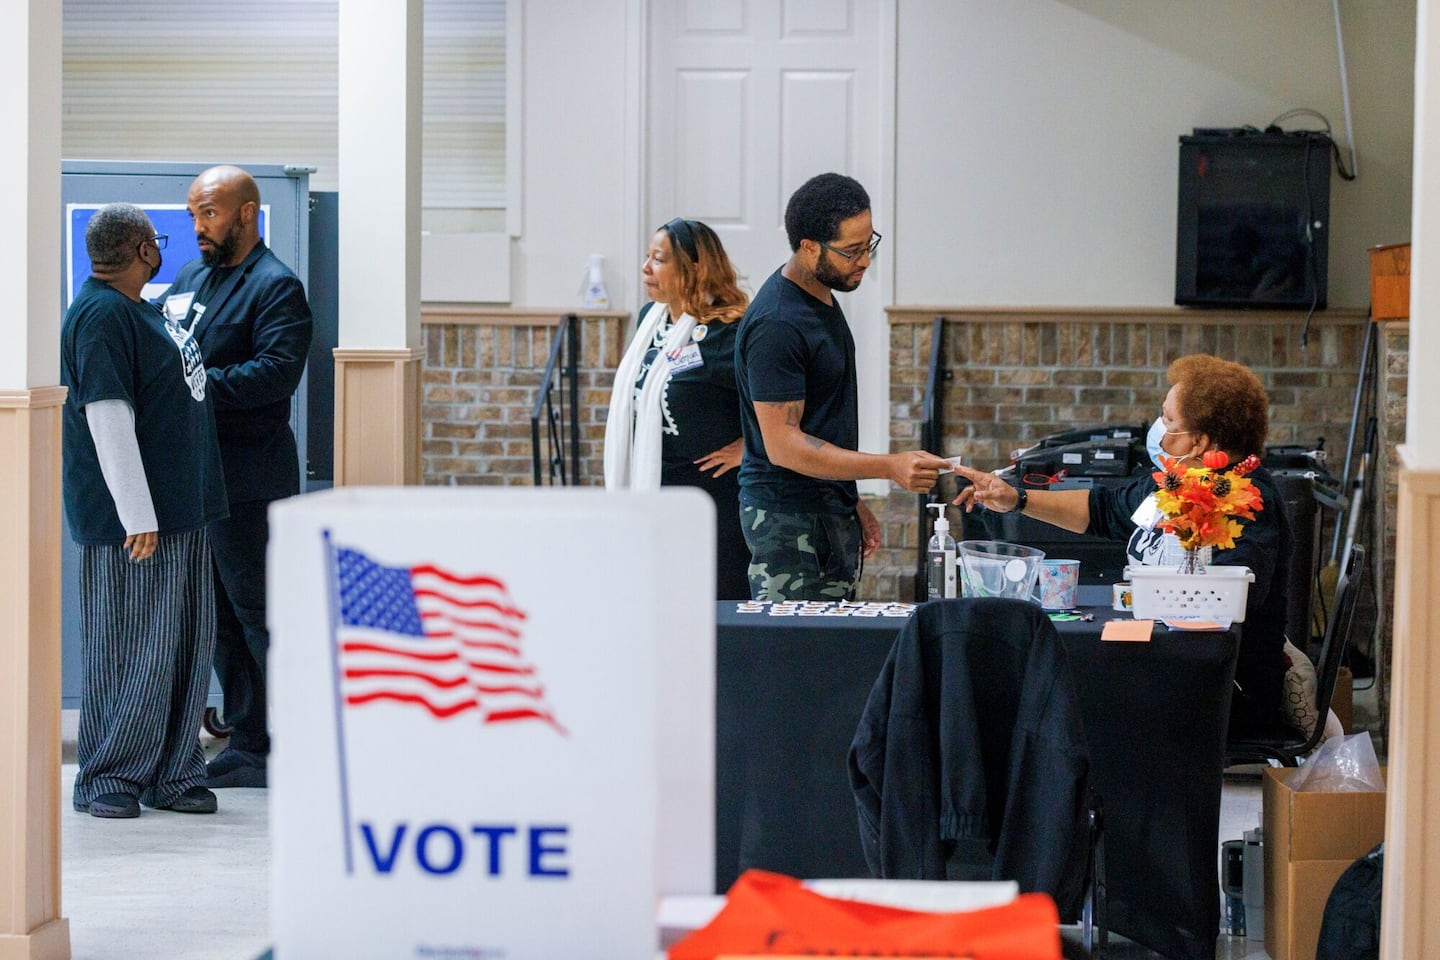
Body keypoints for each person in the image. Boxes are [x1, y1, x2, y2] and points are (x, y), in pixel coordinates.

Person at [951, 354, 1292, 735]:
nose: (1158, 427)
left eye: (1169, 419)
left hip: (1220, 690)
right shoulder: (1172, 480)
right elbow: (1103, 508)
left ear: (1200, 441)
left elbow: (1232, 603)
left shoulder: (1248, 500)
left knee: (1060, 701)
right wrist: (1016, 498)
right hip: (1164, 665)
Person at [62, 203, 229, 818]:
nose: (160, 249)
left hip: (182, 509)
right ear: (143, 250)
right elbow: (108, 417)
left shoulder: (139, 310)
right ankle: (109, 775)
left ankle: (173, 771)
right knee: (128, 645)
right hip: (137, 524)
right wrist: (138, 515)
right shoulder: (100, 317)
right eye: (156, 240)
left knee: (181, 643)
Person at [156, 165, 314, 788]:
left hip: (251, 477)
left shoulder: (277, 286)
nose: (198, 226)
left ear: (246, 213)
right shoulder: (194, 276)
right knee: (220, 615)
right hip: (199, 475)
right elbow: (174, 346)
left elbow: (275, 374)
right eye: (194, 214)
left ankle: (280, 742)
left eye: (210, 213)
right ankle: (248, 738)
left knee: (260, 613)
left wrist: (188, 390)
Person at [734, 172, 948, 601]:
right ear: (808, 246)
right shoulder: (777, 323)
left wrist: (849, 501)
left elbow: (821, 423)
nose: (865, 260)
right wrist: (888, 466)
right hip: (787, 520)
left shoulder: (820, 295)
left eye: (868, 244)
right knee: (801, 659)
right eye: (851, 251)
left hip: (824, 507)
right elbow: (784, 445)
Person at [604, 218, 752, 600]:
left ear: (696, 267)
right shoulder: (649, 321)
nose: (645, 268)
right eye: (647, 257)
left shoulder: (729, 332)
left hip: (712, 497)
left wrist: (751, 448)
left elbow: (780, 405)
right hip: (655, 485)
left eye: (659, 259)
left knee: (711, 602)